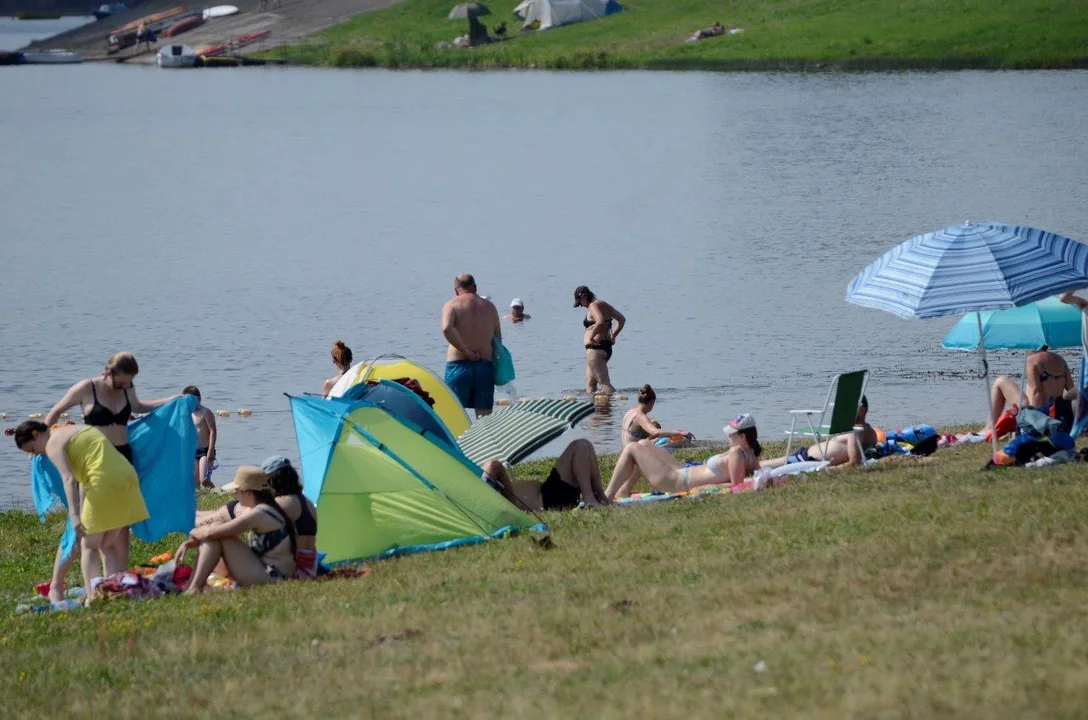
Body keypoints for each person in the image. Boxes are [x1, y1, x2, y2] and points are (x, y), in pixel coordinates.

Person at [42, 352, 176, 585]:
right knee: (85, 525)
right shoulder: (87, 388)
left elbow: (138, 406)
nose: (125, 385)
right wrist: (44, 442)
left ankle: (115, 583)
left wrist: (172, 400)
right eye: (122, 381)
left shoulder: (126, 387)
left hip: (123, 458)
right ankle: (57, 584)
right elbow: (55, 411)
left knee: (120, 528)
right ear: (108, 372)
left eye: (129, 381)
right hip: (94, 462)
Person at [14, 421, 149, 602]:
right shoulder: (75, 429)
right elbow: (84, 477)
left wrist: (75, 516)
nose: (36, 454)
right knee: (107, 544)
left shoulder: (53, 443)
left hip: (103, 482)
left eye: (32, 449)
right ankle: (112, 592)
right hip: (127, 478)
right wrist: (83, 508)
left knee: (89, 546)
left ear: (36, 434)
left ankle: (93, 597)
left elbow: (68, 479)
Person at [176, 466, 296, 593]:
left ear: (247, 492)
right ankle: (193, 586)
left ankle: (194, 587)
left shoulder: (259, 513)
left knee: (215, 530)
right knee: (217, 528)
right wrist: (192, 542)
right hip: (267, 570)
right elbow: (215, 532)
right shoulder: (266, 509)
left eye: (237, 490)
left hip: (272, 578)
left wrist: (190, 531)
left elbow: (209, 533)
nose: (235, 494)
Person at [605, 414, 761, 499]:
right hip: (682, 471)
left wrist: (703, 488)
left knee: (632, 447)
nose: (728, 437)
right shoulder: (748, 455)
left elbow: (736, 486)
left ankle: (607, 496)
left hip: (679, 482)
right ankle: (623, 491)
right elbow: (752, 477)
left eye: (731, 434)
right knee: (645, 445)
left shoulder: (737, 453)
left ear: (742, 437)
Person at [481, 439, 611, 511]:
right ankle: (590, 499)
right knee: (579, 445)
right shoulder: (490, 494)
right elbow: (492, 465)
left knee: (585, 444)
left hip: (549, 494)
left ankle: (600, 496)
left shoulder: (496, 489)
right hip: (548, 499)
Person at [442, 273, 502, 418]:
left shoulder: (452, 305)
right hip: (484, 365)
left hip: (458, 365)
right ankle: (485, 441)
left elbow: (446, 328)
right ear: (475, 287)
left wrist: (465, 351)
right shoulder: (490, 307)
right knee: (484, 417)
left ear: (456, 290)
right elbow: (498, 339)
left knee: (454, 415)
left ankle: (458, 441)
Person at [761, 396, 877, 469]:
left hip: (807, 459)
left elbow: (854, 462)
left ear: (861, 410)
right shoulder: (870, 432)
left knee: (760, 466)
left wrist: (825, 470)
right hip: (807, 456)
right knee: (764, 465)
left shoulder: (854, 432)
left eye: (848, 408)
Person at [987, 343, 1075, 437]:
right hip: (1056, 412)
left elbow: (1036, 391)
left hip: (1039, 414)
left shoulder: (1032, 360)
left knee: (1001, 381)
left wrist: (1035, 419)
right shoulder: (1060, 359)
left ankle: (988, 428)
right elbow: (1071, 390)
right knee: (1029, 388)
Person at [261, 456, 319, 579]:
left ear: (271, 481)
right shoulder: (306, 502)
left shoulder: (282, 503)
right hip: (310, 568)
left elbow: (250, 523)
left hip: (294, 571)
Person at [573, 285, 625, 396]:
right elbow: (622, 319)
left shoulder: (593, 305)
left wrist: (591, 336)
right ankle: (599, 411)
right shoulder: (603, 304)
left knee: (604, 384)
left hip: (595, 350)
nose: (581, 305)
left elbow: (600, 321)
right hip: (605, 347)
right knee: (591, 383)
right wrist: (613, 336)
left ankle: (617, 406)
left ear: (584, 296)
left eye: (580, 302)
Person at [621, 384, 693, 447]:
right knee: (683, 441)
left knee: (656, 427)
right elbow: (655, 432)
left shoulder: (630, 412)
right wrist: (679, 432)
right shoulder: (641, 416)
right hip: (635, 452)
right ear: (651, 402)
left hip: (626, 449)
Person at [182, 386, 217, 488]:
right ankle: (199, 499)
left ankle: (215, 493)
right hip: (192, 451)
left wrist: (211, 450)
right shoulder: (187, 414)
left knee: (204, 480)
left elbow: (213, 431)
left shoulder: (205, 412)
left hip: (205, 450)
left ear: (198, 399)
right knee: (194, 480)